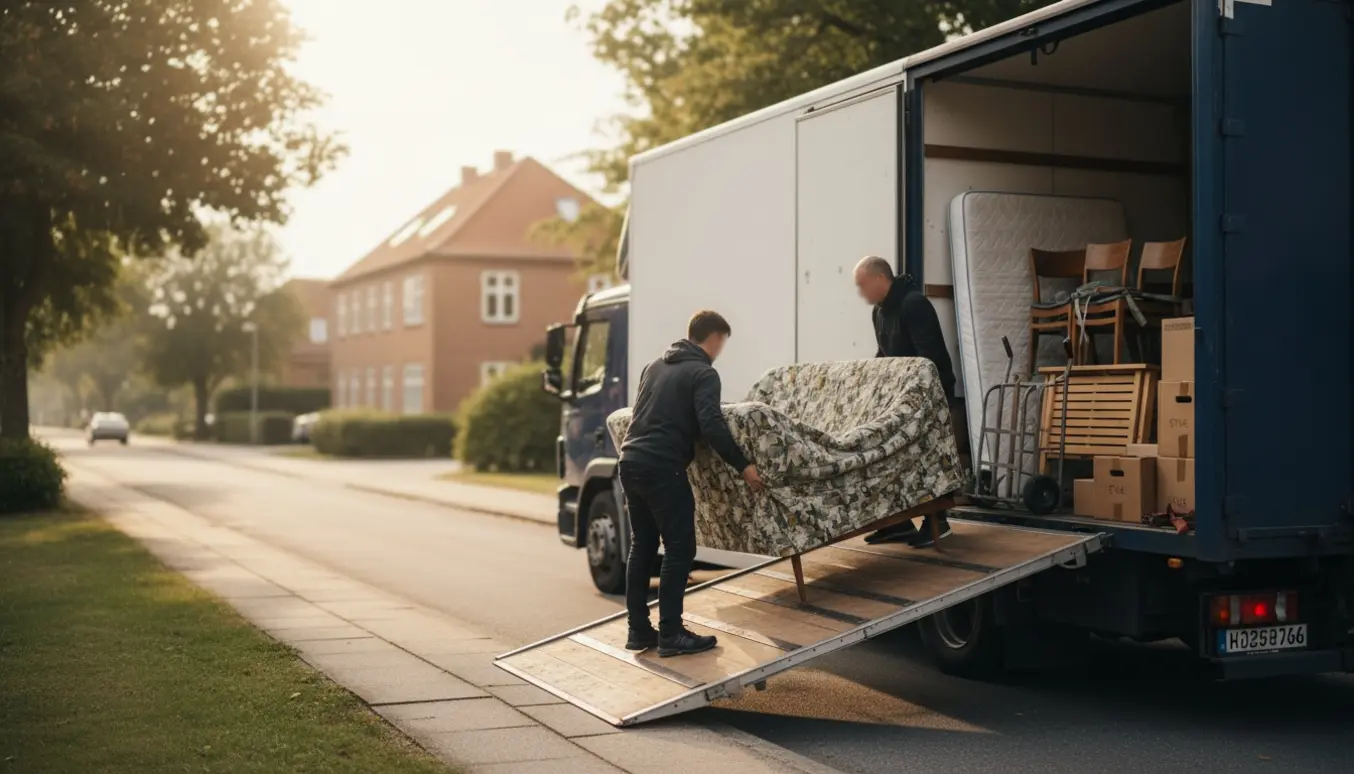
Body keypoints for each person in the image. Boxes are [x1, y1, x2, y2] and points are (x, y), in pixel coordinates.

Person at [618, 310, 765, 657]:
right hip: (662, 467)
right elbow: (712, 425)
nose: (721, 350)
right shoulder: (704, 373)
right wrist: (744, 465)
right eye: (723, 343)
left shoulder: (654, 366)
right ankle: (671, 633)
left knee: (642, 546)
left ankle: (638, 631)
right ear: (714, 338)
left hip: (630, 461)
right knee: (680, 549)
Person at [853, 255, 962, 548]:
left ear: (879, 279)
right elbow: (884, 355)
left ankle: (939, 522)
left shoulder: (914, 305)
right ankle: (897, 523)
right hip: (901, 397)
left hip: (932, 394)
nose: (859, 293)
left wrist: (911, 397)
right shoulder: (879, 312)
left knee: (928, 457)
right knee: (884, 453)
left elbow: (927, 360)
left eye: (862, 285)